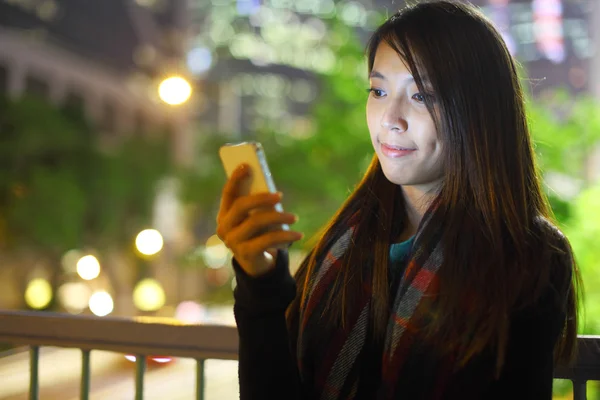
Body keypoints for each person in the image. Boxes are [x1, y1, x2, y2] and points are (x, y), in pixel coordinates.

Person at [215, 1, 581, 399]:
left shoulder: (526, 254)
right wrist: (261, 282)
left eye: (422, 95)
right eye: (379, 90)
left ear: (478, 112)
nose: (391, 117)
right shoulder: (342, 246)